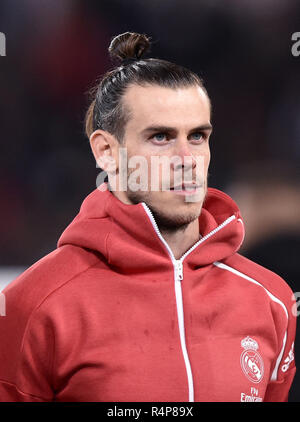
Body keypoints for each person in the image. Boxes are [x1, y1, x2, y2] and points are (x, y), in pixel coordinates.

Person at [0, 32, 296, 402]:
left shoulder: (271, 300)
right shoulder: (33, 305)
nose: (186, 159)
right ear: (106, 152)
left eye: (198, 136)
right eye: (160, 137)